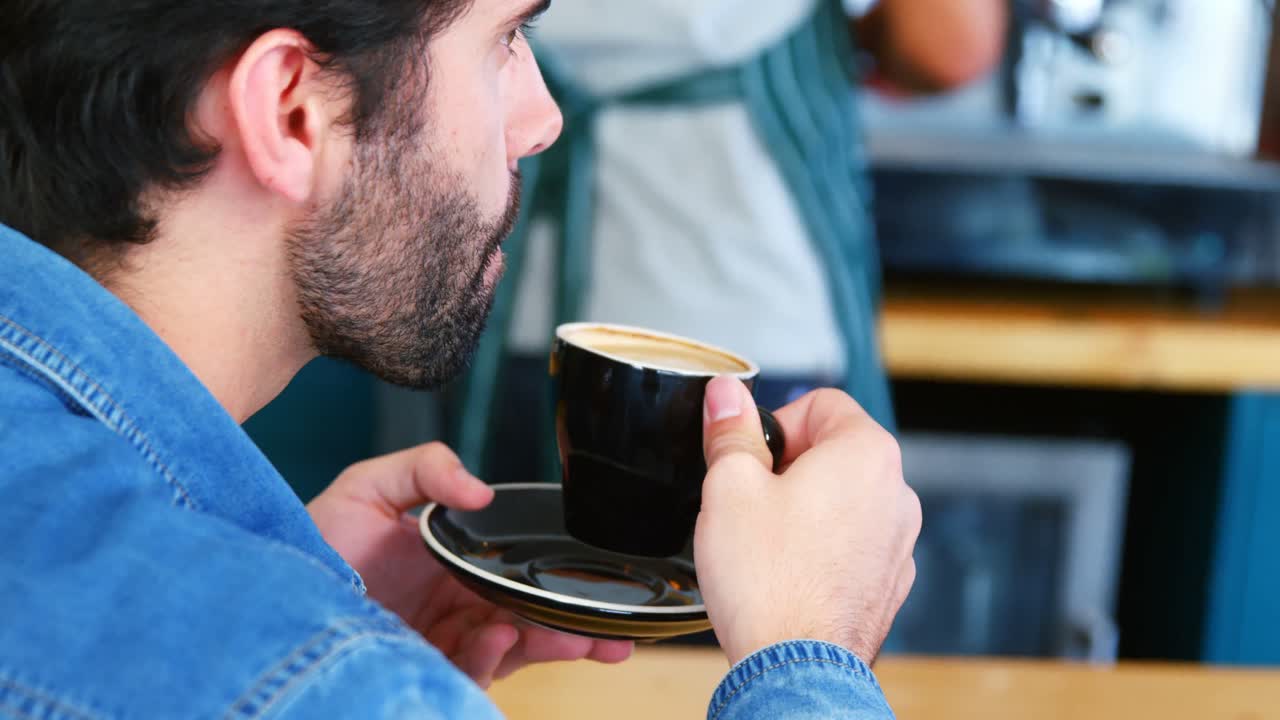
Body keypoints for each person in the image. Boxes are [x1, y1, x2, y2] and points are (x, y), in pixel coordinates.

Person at [0, 1, 919, 718]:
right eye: (506, 40)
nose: (543, 119)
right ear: (292, 112)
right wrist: (810, 655)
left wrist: (306, 599)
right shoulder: (326, 690)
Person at [453, 0, 1008, 486]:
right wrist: (850, 38)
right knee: (770, 595)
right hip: (751, 299)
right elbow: (947, 45)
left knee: (525, 586)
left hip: (524, 304)